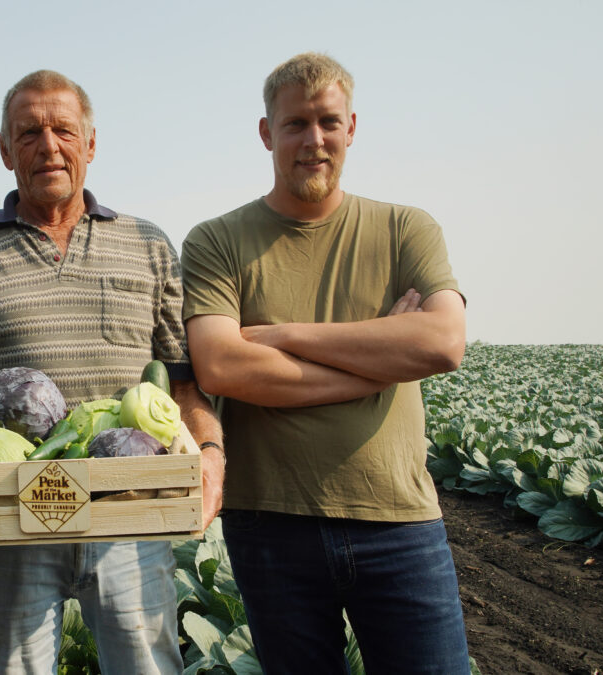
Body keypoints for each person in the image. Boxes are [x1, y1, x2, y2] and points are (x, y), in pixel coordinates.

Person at [0, 69, 225, 675]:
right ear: (4, 150)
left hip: (131, 512)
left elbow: (184, 387)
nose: (48, 146)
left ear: (91, 143)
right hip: (5, 523)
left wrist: (209, 453)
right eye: (28, 133)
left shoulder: (148, 245)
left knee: (148, 666)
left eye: (63, 130)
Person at [181, 52, 470, 674]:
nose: (314, 140)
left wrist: (281, 334)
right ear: (267, 133)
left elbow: (444, 342)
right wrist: (386, 354)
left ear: (352, 126)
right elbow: (224, 368)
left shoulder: (405, 229)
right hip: (270, 525)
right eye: (295, 124)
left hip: (399, 522)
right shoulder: (217, 240)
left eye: (328, 122)